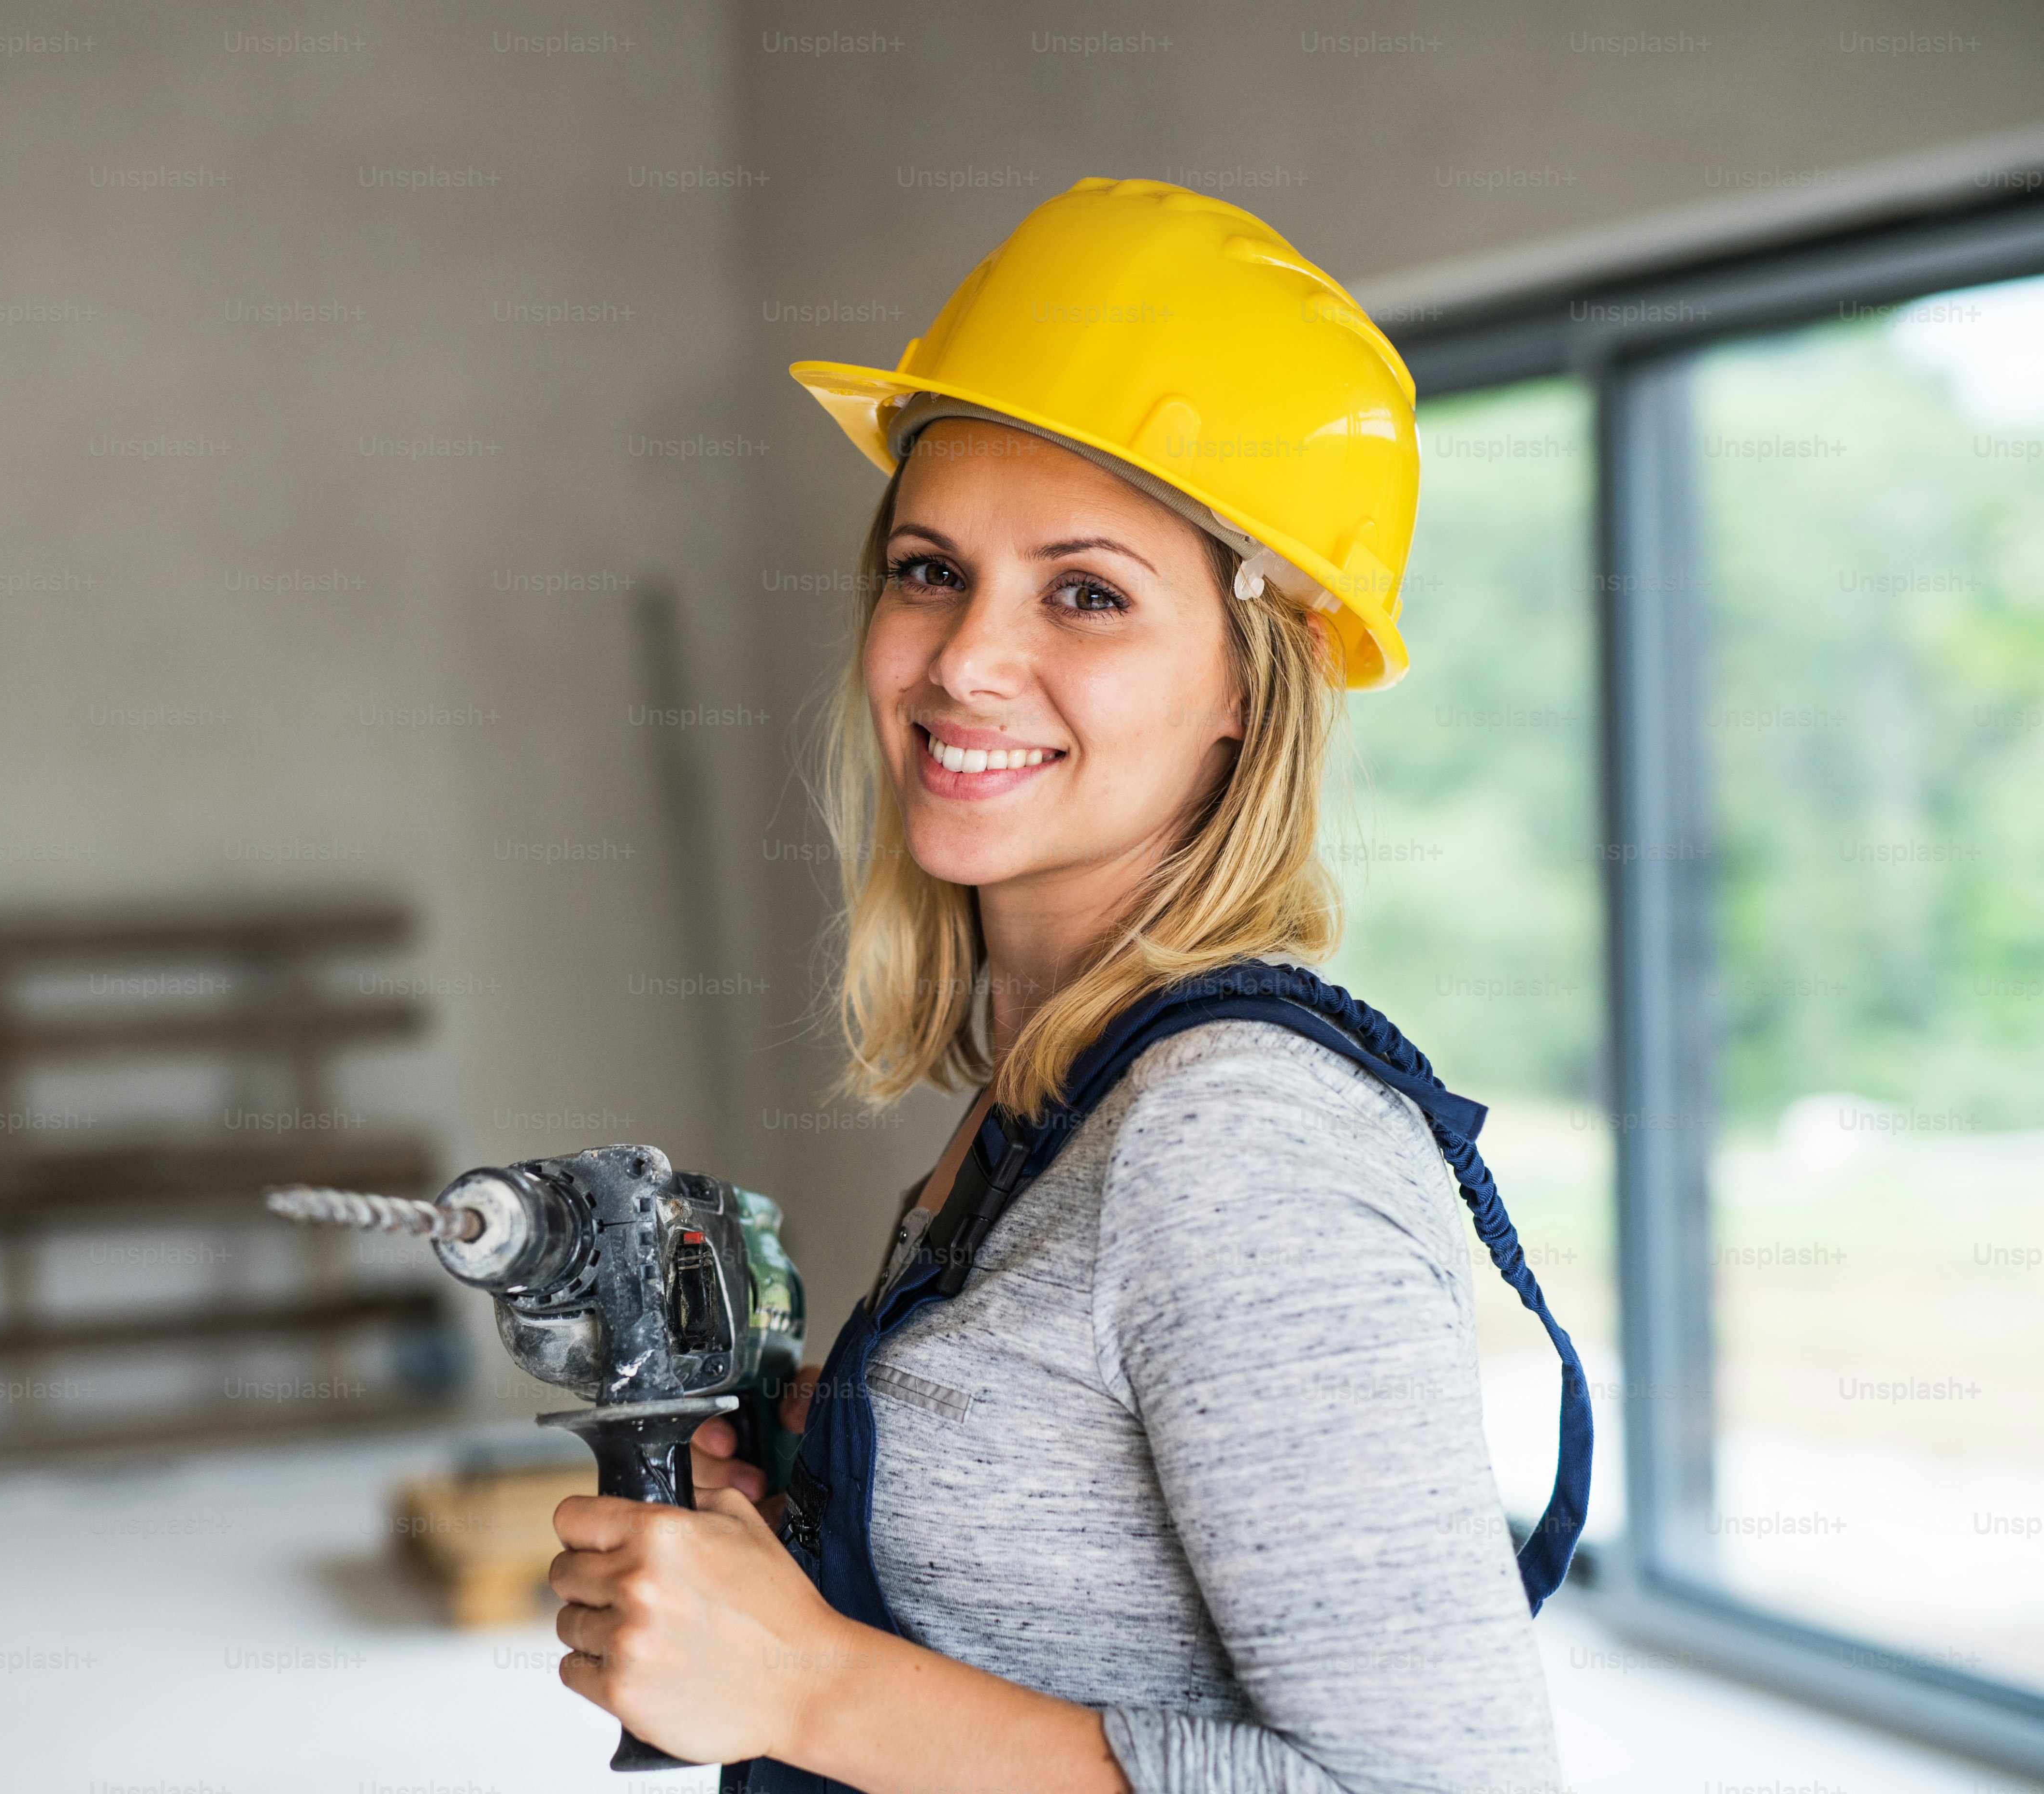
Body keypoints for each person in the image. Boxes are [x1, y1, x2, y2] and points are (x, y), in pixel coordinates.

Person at [546, 179, 1583, 1794]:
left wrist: (813, 1688)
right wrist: (811, 1509)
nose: (963, 661)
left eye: (1086, 592)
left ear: (1254, 679)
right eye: (927, 569)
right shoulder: (1054, 1088)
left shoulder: (1233, 1141)